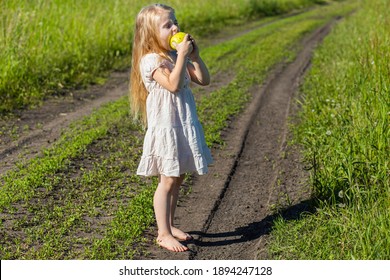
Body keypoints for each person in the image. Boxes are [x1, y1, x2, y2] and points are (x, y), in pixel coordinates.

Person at [129, 3, 213, 252]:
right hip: (166, 127)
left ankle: (170, 224)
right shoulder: (151, 60)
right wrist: (183, 57)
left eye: (175, 21)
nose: (176, 27)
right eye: (168, 25)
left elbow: (204, 80)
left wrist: (194, 57)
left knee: (178, 177)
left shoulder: (174, 55)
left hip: (181, 125)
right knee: (167, 180)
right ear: (151, 33)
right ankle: (162, 233)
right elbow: (174, 85)